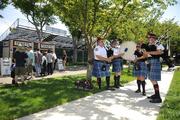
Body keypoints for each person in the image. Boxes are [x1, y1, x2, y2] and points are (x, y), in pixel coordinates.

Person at [143, 33, 164, 103]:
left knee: (154, 79)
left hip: (155, 62)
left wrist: (148, 52)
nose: (150, 39)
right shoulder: (148, 45)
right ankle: (156, 94)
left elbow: (159, 52)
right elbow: (146, 55)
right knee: (151, 79)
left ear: (155, 38)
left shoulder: (158, 44)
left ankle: (158, 97)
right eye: (149, 38)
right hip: (149, 62)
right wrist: (145, 56)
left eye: (152, 38)